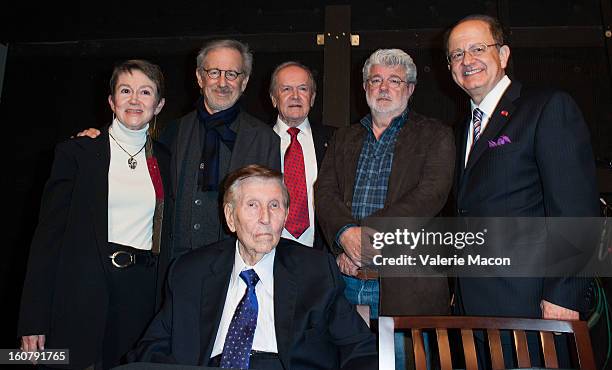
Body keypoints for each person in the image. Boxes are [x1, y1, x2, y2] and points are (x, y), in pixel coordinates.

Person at [446, 14, 599, 366]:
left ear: (503, 55)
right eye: (456, 55)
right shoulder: (462, 129)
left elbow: (577, 211)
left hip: (533, 308)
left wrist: (565, 294)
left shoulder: (546, 107)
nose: (466, 61)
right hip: (474, 311)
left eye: (477, 48)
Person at [130, 165, 377, 370]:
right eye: (252, 205)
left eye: (274, 205)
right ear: (230, 216)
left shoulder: (316, 272)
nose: (265, 218)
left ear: (286, 214)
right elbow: (151, 349)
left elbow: (360, 350)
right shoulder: (190, 272)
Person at [18, 59, 171, 369]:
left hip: (141, 298)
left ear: (159, 105)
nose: (134, 99)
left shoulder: (167, 159)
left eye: (145, 92)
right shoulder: (77, 153)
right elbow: (48, 238)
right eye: (125, 90)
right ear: (112, 101)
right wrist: (32, 319)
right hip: (81, 292)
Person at [315, 49, 455, 367]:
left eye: (394, 80)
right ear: (364, 87)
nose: (383, 87)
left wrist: (363, 237)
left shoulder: (436, 135)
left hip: (408, 289)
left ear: (410, 88)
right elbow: (325, 193)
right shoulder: (343, 138)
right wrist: (343, 235)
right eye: (375, 79)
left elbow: (431, 195)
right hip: (346, 282)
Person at [79, 39, 280, 258]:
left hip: (233, 263)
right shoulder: (172, 132)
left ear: (244, 82)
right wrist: (98, 138)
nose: (222, 82)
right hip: (175, 263)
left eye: (232, 74)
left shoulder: (265, 139)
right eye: (213, 72)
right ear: (199, 77)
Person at [269, 61, 332, 250]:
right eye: (286, 89)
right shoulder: (256, 142)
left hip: (321, 254)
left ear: (312, 98)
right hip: (269, 252)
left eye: (303, 89)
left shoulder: (336, 141)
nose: (295, 96)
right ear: (274, 98)